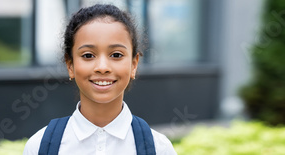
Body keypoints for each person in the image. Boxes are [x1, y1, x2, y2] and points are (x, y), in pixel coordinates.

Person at [23, 4, 177, 155]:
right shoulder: (40, 146)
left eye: (116, 55)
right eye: (88, 55)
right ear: (70, 65)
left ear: (134, 64)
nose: (102, 67)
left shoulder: (159, 148)